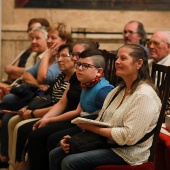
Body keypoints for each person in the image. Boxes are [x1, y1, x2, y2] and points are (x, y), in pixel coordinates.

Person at [49, 44, 161, 170]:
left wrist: (92, 129)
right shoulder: (119, 90)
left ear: (139, 63)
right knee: (56, 153)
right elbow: (102, 121)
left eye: (123, 58)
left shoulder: (144, 95)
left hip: (127, 152)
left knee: (70, 162)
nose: (117, 62)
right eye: (117, 58)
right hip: (108, 142)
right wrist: (77, 139)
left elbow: (128, 137)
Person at [8, 39, 99, 170]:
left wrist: (48, 119)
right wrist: (45, 119)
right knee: (33, 129)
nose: (74, 58)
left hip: (78, 120)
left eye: (77, 54)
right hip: (68, 115)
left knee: (43, 136)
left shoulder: (89, 77)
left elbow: (78, 111)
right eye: (72, 54)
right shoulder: (76, 75)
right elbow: (62, 102)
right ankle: (18, 165)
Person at [3, 18, 50, 84]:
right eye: (30, 29)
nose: (32, 31)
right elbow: (13, 74)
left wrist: (12, 70)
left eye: (37, 28)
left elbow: (34, 76)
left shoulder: (48, 54)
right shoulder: (28, 50)